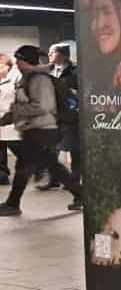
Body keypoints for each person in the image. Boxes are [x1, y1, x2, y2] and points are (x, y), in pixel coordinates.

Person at [0, 46, 83, 216]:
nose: (17, 63)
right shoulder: (28, 78)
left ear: (27, 61)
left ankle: (13, 204)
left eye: (19, 60)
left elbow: (43, 106)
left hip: (42, 130)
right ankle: (81, 195)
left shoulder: (39, 80)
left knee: (26, 167)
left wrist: (16, 110)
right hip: (36, 130)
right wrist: (7, 118)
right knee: (50, 166)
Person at [38, 44, 80, 190]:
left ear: (63, 54)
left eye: (52, 52)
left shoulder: (75, 71)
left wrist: (72, 101)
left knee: (74, 148)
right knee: (50, 148)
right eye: (48, 52)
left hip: (69, 116)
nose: (49, 55)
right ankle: (54, 178)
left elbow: (79, 93)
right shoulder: (49, 70)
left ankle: (74, 180)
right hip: (52, 116)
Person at [0, 54, 15, 185]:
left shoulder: (13, 82)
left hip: (7, 121)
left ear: (8, 67)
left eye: (2, 65)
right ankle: (2, 174)